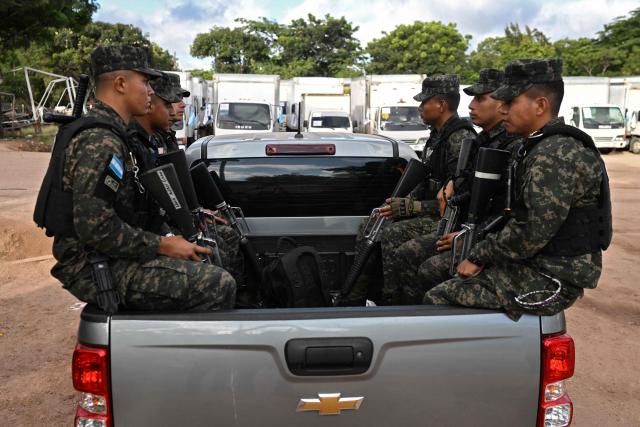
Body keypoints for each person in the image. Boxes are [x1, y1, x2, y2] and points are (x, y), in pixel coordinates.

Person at [44, 45, 236, 311]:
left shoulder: (115, 135)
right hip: (92, 263)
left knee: (208, 255)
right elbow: (95, 227)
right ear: (121, 84)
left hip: (110, 254)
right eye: (145, 82)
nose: (150, 91)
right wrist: (162, 245)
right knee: (216, 283)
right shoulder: (100, 141)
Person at [423, 58, 611, 320]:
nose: (503, 110)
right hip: (535, 262)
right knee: (435, 272)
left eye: (510, 102)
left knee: (437, 298)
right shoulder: (537, 145)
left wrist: (478, 256)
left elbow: (531, 230)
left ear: (540, 105)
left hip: (550, 276)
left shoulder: (555, 154)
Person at [394, 68, 522, 303]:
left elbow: (507, 211)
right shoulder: (482, 141)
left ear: (503, 103)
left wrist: (471, 239)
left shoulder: (510, 146)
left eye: (481, 98)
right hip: (467, 228)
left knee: (419, 261)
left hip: (482, 237)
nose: (471, 105)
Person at [376, 74, 476, 305]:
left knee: (394, 237)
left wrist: (413, 207)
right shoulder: (437, 136)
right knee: (377, 224)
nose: (419, 108)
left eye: (424, 102)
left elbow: (456, 200)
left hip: (445, 218)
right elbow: (427, 178)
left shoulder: (460, 138)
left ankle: (401, 303)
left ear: (441, 105)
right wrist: (403, 201)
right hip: (430, 210)